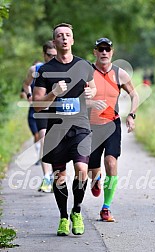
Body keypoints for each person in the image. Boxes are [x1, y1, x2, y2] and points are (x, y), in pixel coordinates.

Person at [33, 23, 96, 236]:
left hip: (80, 126)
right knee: (60, 175)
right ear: (55, 41)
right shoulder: (45, 70)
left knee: (81, 170)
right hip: (57, 130)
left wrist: (91, 94)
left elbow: (93, 88)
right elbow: (37, 104)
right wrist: (53, 93)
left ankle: (76, 211)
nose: (64, 38)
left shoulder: (84, 65)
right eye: (60, 36)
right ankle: (63, 217)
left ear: (73, 40)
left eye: (68, 35)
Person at [87, 38, 138, 222]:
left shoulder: (120, 74)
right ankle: (96, 179)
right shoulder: (88, 72)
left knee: (111, 162)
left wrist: (132, 115)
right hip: (91, 126)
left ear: (112, 52)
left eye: (107, 49)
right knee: (93, 169)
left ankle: (106, 208)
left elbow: (134, 94)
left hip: (111, 124)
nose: (104, 52)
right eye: (100, 49)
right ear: (95, 52)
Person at [23, 41, 57, 192]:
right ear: (44, 55)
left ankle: (58, 172)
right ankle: (47, 177)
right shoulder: (35, 69)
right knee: (44, 139)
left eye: (55, 56)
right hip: (42, 109)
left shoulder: (62, 68)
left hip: (58, 110)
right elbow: (25, 84)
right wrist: (30, 95)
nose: (52, 58)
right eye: (49, 55)